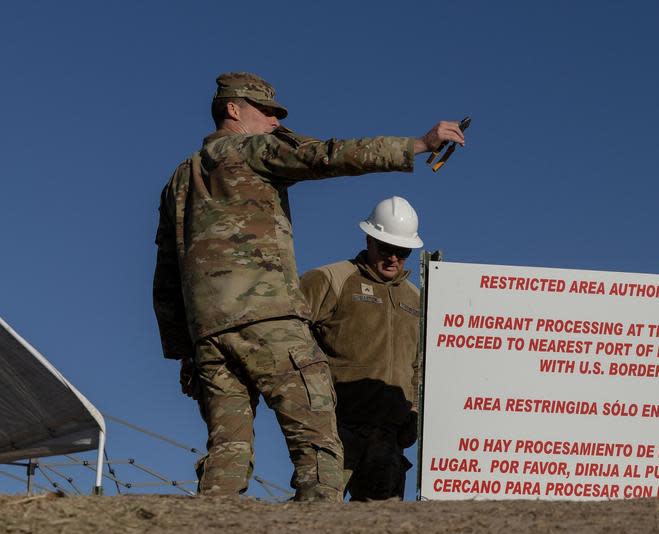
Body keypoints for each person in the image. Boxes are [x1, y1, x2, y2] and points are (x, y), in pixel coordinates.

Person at [152, 72, 464, 501]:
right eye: (267, 113)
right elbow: (327, 156)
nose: (276, 122)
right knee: (317, 437)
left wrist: (185, 350)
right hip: (268, 319)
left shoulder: (179, 180)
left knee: (228, 448)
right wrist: (418, 145)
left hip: (208, 332)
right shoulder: (250, 151)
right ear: (233, 110)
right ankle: (314, 532)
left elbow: (165, 275)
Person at [299, 197, 424, 501]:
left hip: (388, 438)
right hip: (333, 430)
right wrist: (310, 401)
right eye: (386, 248)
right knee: (314, 515)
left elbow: (419, 365)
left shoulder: (417, 299)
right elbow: (287, 335)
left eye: (403, 251)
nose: (394, 258)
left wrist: (414, 414)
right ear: (369, 238)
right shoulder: (331, 280)